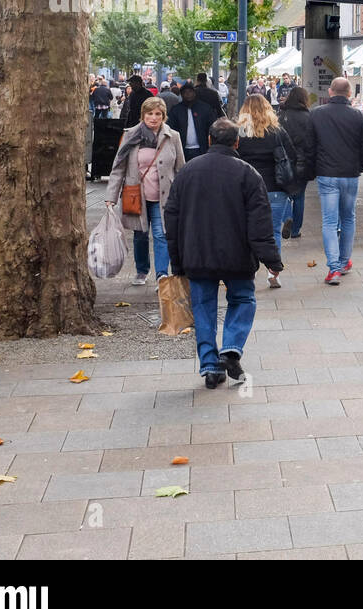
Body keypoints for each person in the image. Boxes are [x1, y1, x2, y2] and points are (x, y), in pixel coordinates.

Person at [165, 118, 283, 389]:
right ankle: (231, 348)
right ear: (237, 142)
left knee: (203, 307)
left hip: (197, 254)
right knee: (242, 299)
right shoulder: (248, 173)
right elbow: (260, 223)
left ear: (208, 140)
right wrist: (271, 260)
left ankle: (209, 365)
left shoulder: (188, 172)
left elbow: (171, 218)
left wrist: (177, 260)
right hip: (237, 255)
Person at [105, 96, 186, 285]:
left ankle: (161, 275)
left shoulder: (172, 137)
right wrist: (111, 197)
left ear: (164, 116)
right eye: (149, 114)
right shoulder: (130, 135)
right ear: (143, 115)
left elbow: (180, 168)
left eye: (158, 114)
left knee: (160, 233)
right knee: (140, 234)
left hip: (163, 196)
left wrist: (184, 195)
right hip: (136, 195)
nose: (153, 118)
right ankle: (142, 270)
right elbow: (118, 168)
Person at [309, 76, 363, 284]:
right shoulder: (358, 116)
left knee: (329, 221)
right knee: (348, 218)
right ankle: (344, 261)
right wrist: (361, 166)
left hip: (327, 174)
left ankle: (334, 268)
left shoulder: (317, 114)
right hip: (350, 174)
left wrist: (313, 167)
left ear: (330, 92)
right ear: (349, 94)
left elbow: (309, 145)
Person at [236, 94, 297, 290]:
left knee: (246, 231)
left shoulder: (240, 133)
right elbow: (292, 155)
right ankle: (273, 271)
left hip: (247, 189)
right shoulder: (276, 131)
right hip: (275, 188)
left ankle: (248, 270)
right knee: (272, 232)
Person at [277, 86, 314, 240]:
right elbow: (311, 142)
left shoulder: (282, 115)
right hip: (302, 161)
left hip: (284, 160)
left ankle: (287, 218)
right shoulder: (308, 117)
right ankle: (295, 230)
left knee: (285, 193)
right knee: (299, 197)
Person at [167, 82, 218, 163]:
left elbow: (212, 127)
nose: (188, 94)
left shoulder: (205, 108)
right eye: (185, 92)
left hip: (201, 149)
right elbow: (171, 128)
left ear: (194, 93)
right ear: (181, 95)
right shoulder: (176, 110)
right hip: (182, 150)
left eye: (190, 91)